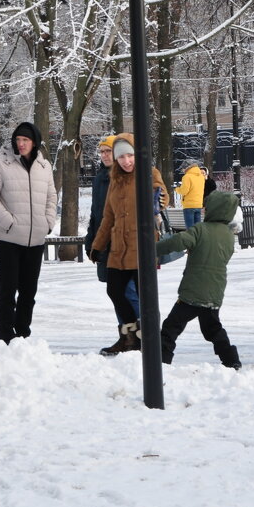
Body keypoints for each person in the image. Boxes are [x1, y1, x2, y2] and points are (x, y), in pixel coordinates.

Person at [90, 133, 168, 356]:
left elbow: (162, 195)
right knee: (114, 290)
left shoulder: (148, 173)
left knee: (146, 297)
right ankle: (131, 336)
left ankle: (149, 339)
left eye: (130, 155)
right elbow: (108, 217)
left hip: (142, 248)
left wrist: (159, 198)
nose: (126, 161)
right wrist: (98, 245)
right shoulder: (115, 179)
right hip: (118, 249)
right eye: (121, 157)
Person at [0, 121, 57, 344]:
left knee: (28, 292)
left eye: (25, 140)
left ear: (35, 142)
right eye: (18, 140)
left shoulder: (44, 167)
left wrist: (48, 223)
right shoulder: (0, 163)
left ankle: (23, 333)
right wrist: (8, 222)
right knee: (7, 291)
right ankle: (6, 336)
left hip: (36, 239)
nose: (21, 144)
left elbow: (52, 197)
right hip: (9, 239)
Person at [155, 190, 243, 369]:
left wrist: (153, 248)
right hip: (215, 292)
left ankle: (161, 361)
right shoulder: (228, 236)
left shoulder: (200, 229)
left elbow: (178, 241)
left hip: (193, 292)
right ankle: (231, 359)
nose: (204, 210)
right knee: (213, 329)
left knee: (171, 326)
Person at [84, 135, 140, 326]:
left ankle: (141, 333)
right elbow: (98, 214)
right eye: (102, 152)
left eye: (109, 151)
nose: (105, 155)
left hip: (129, 244)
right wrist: (92, 241)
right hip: (109, 243)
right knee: (116, 291)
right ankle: (127, 333)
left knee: (129, 291)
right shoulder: (101, 178)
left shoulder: (130, 176)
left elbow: (159, 196)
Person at [176, 159, 206, 229]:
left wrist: (177, 189)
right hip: (198, 205)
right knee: (197, 229)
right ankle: (198, 240)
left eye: (183, 168)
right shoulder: (201, 177)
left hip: (189, 206)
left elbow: (184, 191)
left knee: (190, 229)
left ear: (187, 167)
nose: (183, 170)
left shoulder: (187, 177)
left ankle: (191, 240)